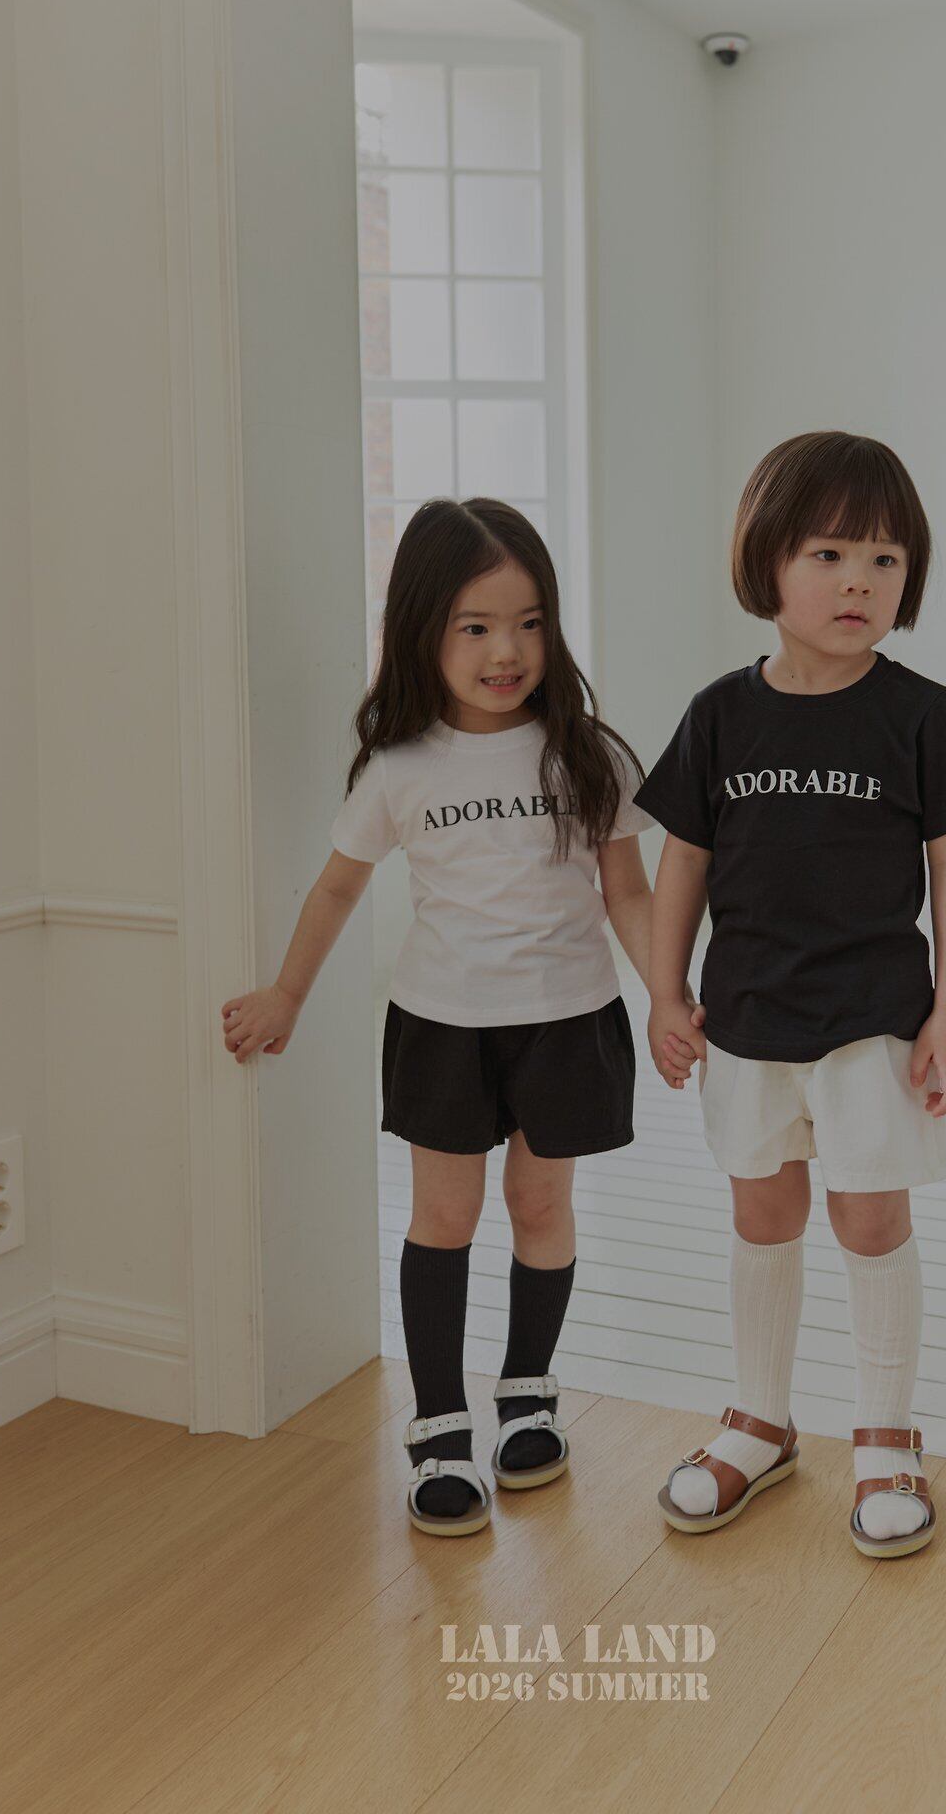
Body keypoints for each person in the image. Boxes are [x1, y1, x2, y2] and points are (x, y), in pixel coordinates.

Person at [220, 498, 653, 1537]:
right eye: (476, 626)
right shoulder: (401, 767)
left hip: (568, 1018)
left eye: (530, 622)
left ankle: (527, 1394)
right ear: (423, 630)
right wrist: (286, 994)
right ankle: (439, 1423)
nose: (507, 651)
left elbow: (628, 895)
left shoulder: (587, 755)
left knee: (541, 1207)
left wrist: (675, 996)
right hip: (443, 1026)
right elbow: (337, 888)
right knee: (444, 1218)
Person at [635, 431, 946, 1557]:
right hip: (747, 1019)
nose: (859, 582)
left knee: (869, 1216)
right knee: (763, 1213)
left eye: (885, 560)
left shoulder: (920, 713)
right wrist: (663, 991)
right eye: (830, 554)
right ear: (766, 561)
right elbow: (682, 862)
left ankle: (886, 1434)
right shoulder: (719, 713)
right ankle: (759, 1421)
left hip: (873, 1024)